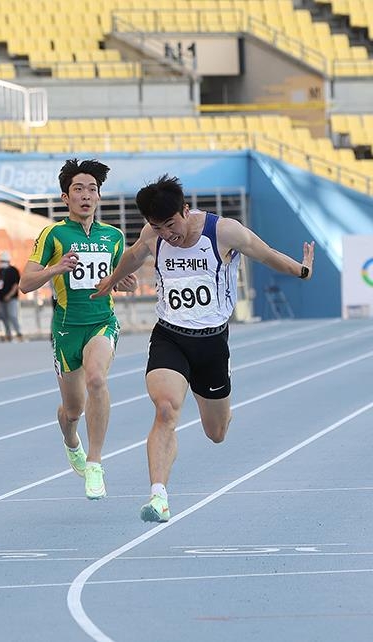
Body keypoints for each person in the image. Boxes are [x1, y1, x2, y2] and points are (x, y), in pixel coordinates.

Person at [91, 174, 315, 522]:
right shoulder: (153, 236)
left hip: (212, 343)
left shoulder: (223, 232)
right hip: (170, 337)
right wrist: (110, 279)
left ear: (185, 210)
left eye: (170, 225)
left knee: (217, 433)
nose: (167, 234)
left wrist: (302, 271)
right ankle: (159, 497)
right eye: (157, 227)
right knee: (166, 409)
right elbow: (134, 256)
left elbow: (266, 254)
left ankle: (220, 408)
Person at [19, 159, 137, 500]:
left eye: (92, 190)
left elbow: (122, 281)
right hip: (66, 330)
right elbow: (26, 283)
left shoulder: (113, 236)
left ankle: (96, 462)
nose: (86, 195)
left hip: (102, 322)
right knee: (73, 409)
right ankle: (71, 438)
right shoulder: (53, 234)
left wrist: (123, 282)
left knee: (97, 379)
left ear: (99, 197)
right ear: (65, 197)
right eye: (78, 190)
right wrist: (57, 268)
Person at [0, 250, 23, 341]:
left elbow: (15, 285)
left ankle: (19, 333)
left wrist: (9, 295)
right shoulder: (1, 271)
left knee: (13, 316)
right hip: (1, 299)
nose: (2, 263)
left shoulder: (13, 270)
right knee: (4, 317)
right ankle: (8, 334)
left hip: (11, 298)